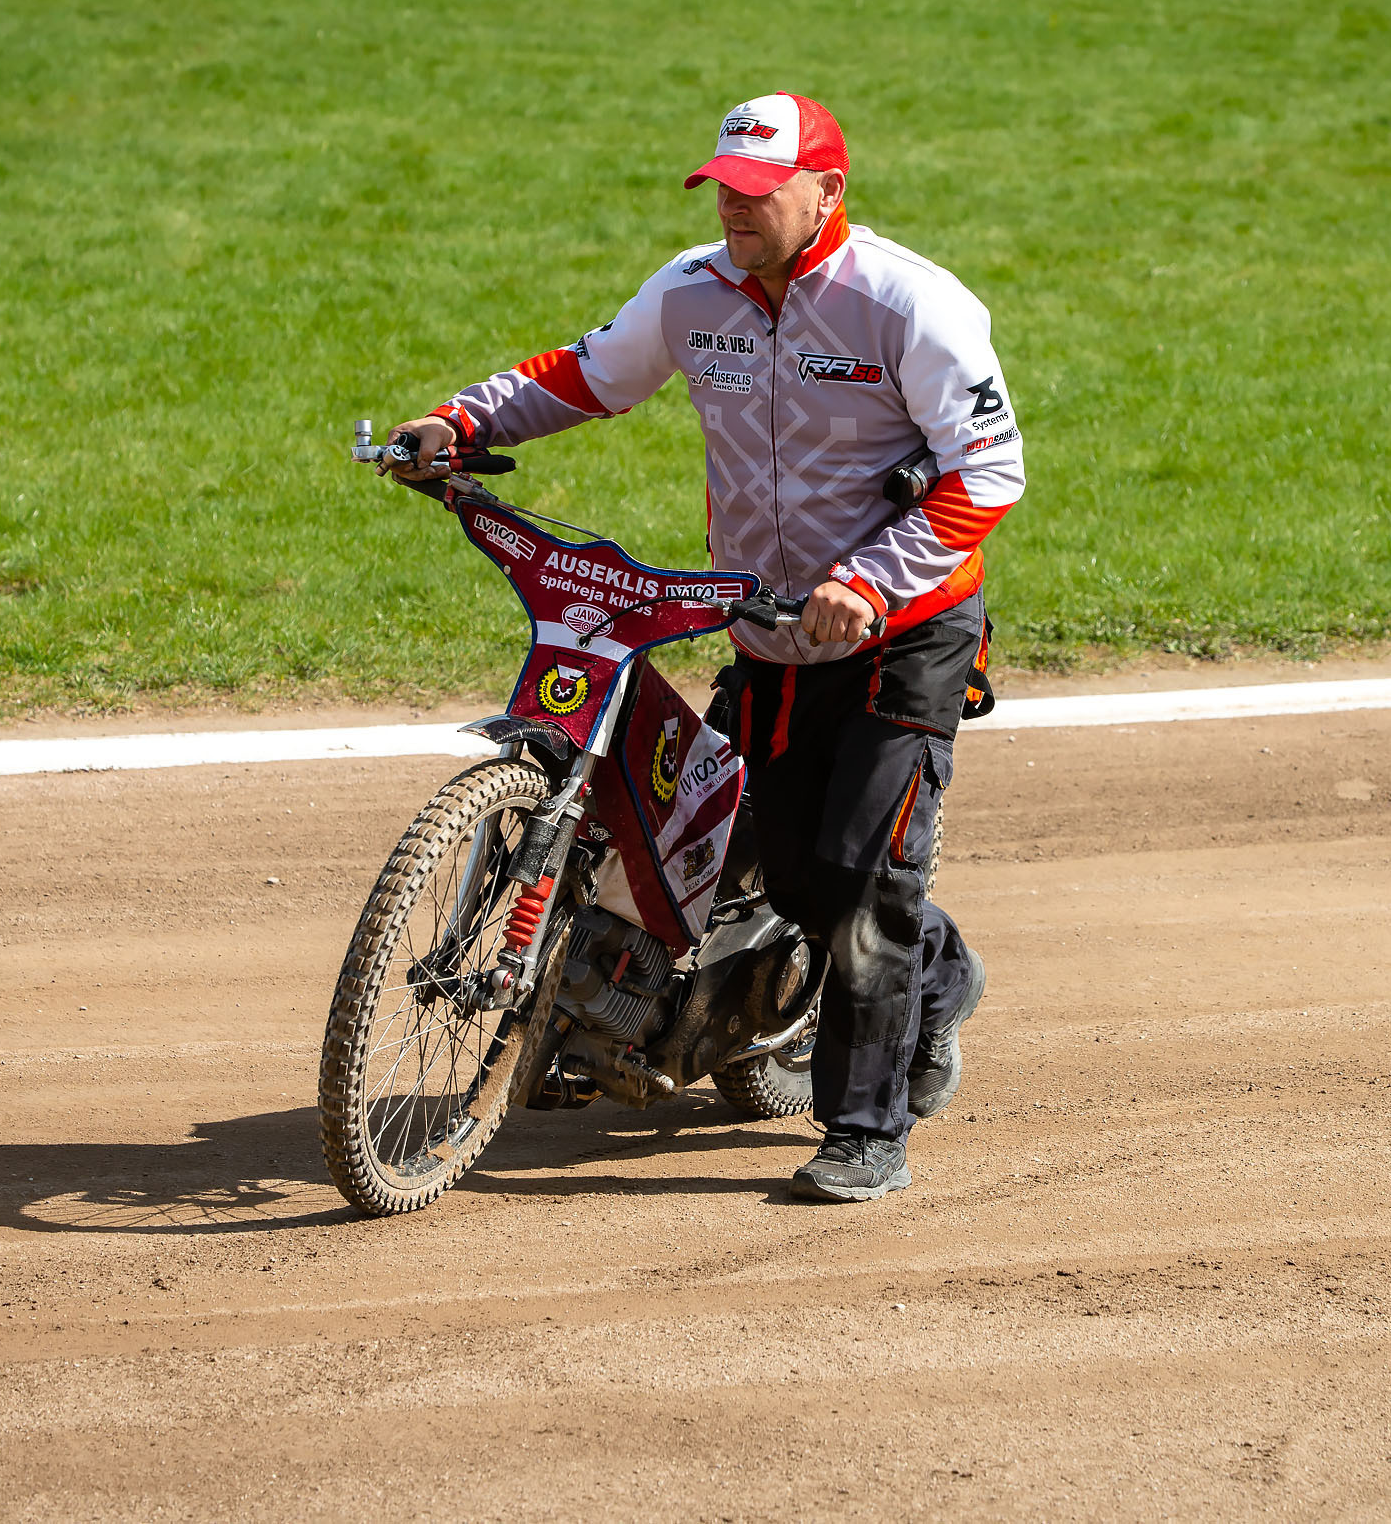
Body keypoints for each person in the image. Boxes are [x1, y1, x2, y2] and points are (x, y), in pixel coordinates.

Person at [382, 94, 1022, 1203]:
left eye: (758, 190)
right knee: (789, 870)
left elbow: (988, 470)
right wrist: (462, 422)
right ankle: (937, 971)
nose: (733, 206)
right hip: (768, 628)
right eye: (722, 186)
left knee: (860, 879)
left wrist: (868, 581)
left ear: (826, 192)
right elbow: (587, 373)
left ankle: (864, 1131)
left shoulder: (909, 304)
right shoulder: (693, 290)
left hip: (902, 632)